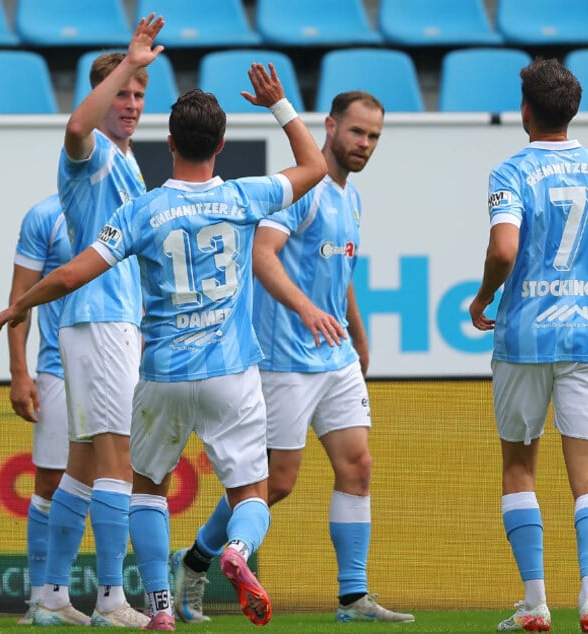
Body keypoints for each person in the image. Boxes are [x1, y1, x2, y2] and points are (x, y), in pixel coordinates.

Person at [0, 62, 327, 631]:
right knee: (251, 491)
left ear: (168, 143)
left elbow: (71, 274)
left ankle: (161, 608)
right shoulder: (245, 196)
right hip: (231, 372)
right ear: (221, 145)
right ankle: (236, 551)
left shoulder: (141, 210)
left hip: (163, 373)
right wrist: (279, 105)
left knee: (145, 488)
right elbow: (315, 166)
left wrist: (21, 304)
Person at [170, 91, 414, 625]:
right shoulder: (302, 191)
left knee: (358, 466)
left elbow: (340, 274)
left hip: (335, 358)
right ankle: (195, 559)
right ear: (330, 126)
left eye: (374, 136)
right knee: (276, 482)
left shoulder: (351, 197)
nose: (365, 143)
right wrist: (305, 309)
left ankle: (353, 598)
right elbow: (261, 255)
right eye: (357, 131)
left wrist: (357, 334)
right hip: (285, 359)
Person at [467, 57, 588, 634]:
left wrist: (482, 297)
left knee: (520, 467)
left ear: (526, 111)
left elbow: (504, 249)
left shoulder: (511, 172)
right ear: (573, 110)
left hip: (524, 338)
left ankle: (535, 603)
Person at [27, 14, 164, 628]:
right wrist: (130, 61)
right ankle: (112, 599)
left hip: (110, 321)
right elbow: (76, 127)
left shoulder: (129, 163)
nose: (130, 103)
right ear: (102, 94)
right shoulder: (93, 156)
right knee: (118, 462)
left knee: (82, 466)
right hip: (100, 321)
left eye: (138, 94)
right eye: (122, 93)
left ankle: (52, 596)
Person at [5, 194, 71, 625]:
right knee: (51, 482)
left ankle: (117, 597)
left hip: (123, 367)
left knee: (123, 480)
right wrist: (18, 371)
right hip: (57, 370)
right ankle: (41, 601)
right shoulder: (46, 216)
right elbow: (20, 298)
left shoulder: (131, 205)